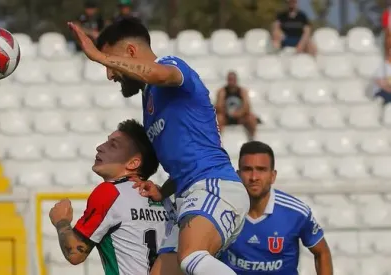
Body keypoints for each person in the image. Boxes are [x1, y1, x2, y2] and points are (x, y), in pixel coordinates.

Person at [67, 17, 250, 275]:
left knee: (191, 256)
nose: (109, 74)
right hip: (189, 195)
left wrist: (98, 56)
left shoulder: (170, 66)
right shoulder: (149, 103)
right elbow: (183, 163)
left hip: (213, 187)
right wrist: (163, 192)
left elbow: (161, 74)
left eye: (111, 62)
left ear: (131, 52)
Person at [49, 119, 180, 274]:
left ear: (133, 163)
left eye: (113, 145)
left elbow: (75, 254)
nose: (100, 147)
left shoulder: (109, 192)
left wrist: (61, 221)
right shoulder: (164, 199)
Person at [219, 141, 333, 274]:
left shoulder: (296, 212)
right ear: (238, 174)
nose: (254, 177)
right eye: (247, 169)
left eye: (261, 169)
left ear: (273, 176)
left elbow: (322, 252)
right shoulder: (221, 210)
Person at [215, 71, 258, 140]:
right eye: (230, 79)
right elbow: (219, 107)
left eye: (233, 79)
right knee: (219, 118)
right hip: (226, 116)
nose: (231, 81)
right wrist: (229, 113)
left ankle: (253, 138)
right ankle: (217, 140)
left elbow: (247, 107)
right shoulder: (222, 91)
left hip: (240, 117)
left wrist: (239, 113)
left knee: (251, 118)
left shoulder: (242, 91)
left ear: (236, 80)